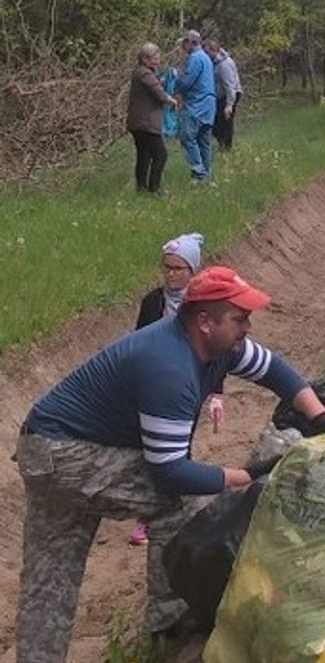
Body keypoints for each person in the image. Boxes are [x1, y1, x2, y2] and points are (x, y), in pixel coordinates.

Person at [11, 265, 325, 663]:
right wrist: (245, 476)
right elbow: (169, 471)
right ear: (205, 321)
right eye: (239, 318)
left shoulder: (220, 346)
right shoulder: (169, 367)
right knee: (185, 496)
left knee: (50, 579)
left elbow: (275, 371)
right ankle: (170, 619)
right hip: (63, 454)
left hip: (46, 448)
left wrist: (318, 414)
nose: (248, 327)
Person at [128, 232, 224, 546]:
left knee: (176, 449)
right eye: (167, 268)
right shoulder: (152, 302)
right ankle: (148, 514)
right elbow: (138, 343)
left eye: (178, 269)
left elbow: (216, 351)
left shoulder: (203, 307)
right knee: (147, 450)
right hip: (154, 384)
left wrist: (216, 393)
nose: (171, 274)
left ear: (193, 271)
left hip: (187, 386)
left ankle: (172, 508)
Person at [126, 43, 179, 197]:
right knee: (160, 155)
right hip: (145, 123)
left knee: (144, 156)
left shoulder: (142, 72)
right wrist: (171, 100)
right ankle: (154, 190)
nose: (158, 60)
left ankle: (142, 190)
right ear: (144, 59)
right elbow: (159, 92)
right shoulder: (144, 74)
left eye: (158, 57)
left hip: (138, 123)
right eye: (154, 58)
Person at [174, 29, 217, 184]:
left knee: (187, 136)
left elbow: (186, 83)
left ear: (192, 42)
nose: (183, 46)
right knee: (203, 140)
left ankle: (199, 173)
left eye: (185, 42)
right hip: (209, 105)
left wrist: (174, 80)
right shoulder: (205, 58)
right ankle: (207, 175)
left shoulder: (195, 58)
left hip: (196, 104)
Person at [203, 39, 243, 150]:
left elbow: (230, 85)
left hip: (230, 94)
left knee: (226, 122)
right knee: (216, 123)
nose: (205, 55)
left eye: (207, 52)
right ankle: (222, 144)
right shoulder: (213, 62)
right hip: (220, 95)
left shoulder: (224, 64)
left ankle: (227, 148)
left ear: (213, 50)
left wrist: (229, 105)